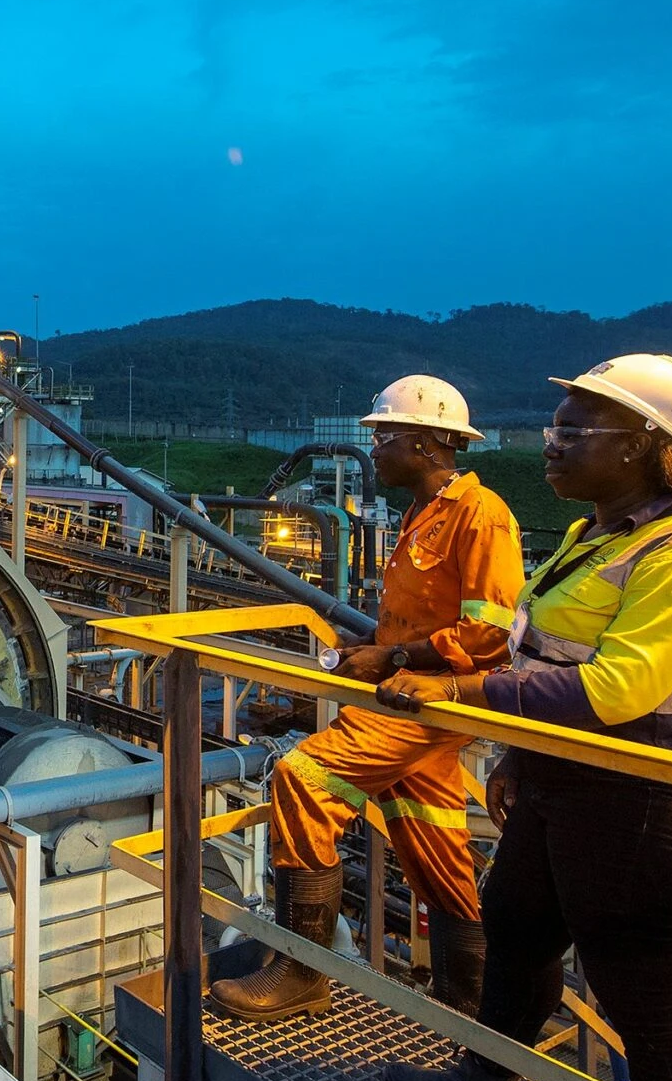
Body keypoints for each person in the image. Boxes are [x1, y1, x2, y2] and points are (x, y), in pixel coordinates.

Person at [376, 353, 672, 1081]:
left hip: (639, 799)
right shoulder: (598, 535)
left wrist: (461, 694)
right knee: (517, 926)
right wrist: (518, 755)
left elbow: (616, 689)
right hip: (562, 781)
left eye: (578, 428)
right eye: (559, 424)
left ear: (646, 445)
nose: (554, 441)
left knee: (648, 1005)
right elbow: (540, 647)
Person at [210, 375, 521, 1023]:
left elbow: (489, 633)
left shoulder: (480, 513)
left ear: (429, 442)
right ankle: (470, 1005)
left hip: (434, 700)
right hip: (409, 697)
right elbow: (421, 617)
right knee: (432, 839)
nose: (373, 448)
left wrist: (395, 657)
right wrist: (374, 642)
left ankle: (302, 971)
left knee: (303, 779)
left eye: (385, 436)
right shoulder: (423, 514)